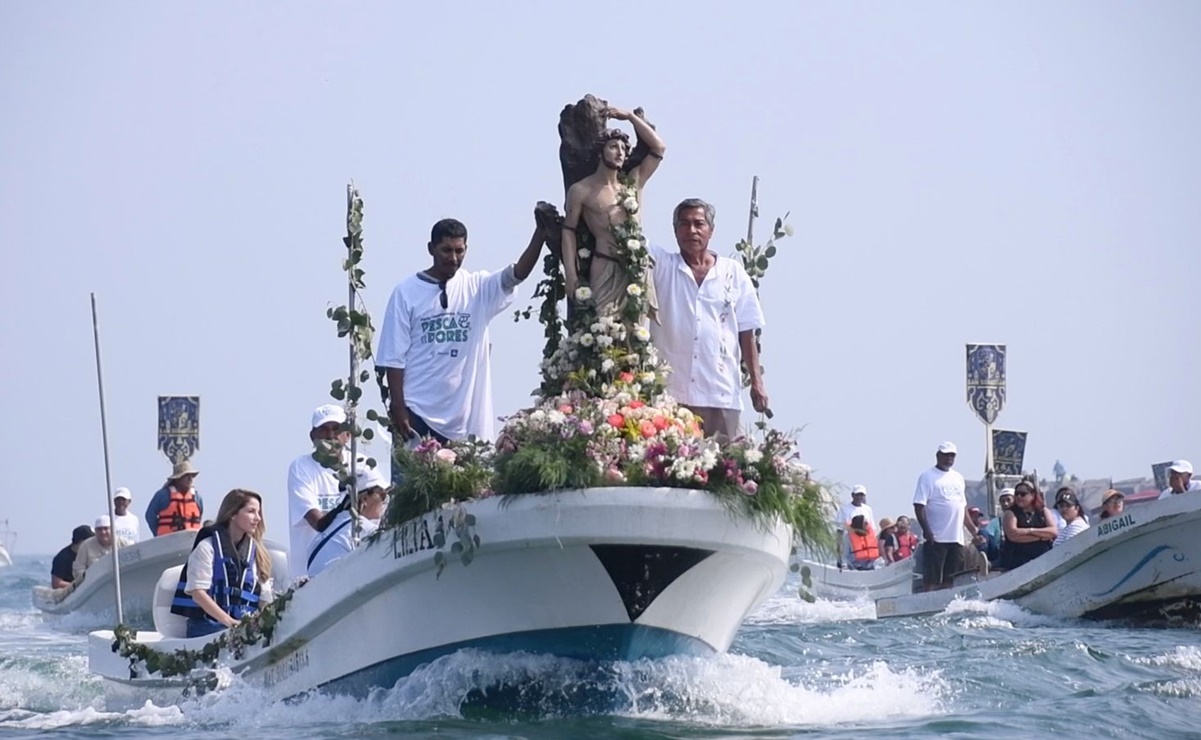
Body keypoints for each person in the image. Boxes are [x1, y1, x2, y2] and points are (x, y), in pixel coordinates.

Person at [376, 213, 548, 445]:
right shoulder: (406, 292)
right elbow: (393, 358)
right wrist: (398, 407)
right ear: (431, 249)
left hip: (465, 421)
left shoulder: (477, 287)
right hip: (417, 412)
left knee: (470, 481)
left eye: (460, 251)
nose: (454, 258)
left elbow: (517, 274)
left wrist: (540, 234)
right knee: (415, 481)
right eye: (446, 250)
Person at [648, 198, 768, 440]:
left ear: (710, 230)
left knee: (727, 469)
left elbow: (747, 332)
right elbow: (629, 236)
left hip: (720, 392)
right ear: (675, 230)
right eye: (684, 224)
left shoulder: (732, 273)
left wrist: (757, 383)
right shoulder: (663, 266)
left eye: (698, 224)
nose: (691, 230)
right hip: (672, 393)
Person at [561, 106, 665, 315]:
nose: (619, 152)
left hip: (635, 269)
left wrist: (629, 117)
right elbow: (568, 230)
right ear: (600, 151)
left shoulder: (633, 182)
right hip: (604, 265)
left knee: (633, 335)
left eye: (623, 149)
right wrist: (571, 274)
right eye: (613, 147)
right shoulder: (581, 190)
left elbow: (659, 148)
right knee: (602, 327)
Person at [171, 489, 273, 638]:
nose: (257, 518)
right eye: (251, 511)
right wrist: (231, 623)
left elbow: (264, 600)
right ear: (232, 514)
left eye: (258, 512)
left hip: (244, 628)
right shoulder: (206, 547)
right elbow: (198, 593)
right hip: (207, 629)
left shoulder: (257, 553)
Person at [288, 404, 354, 566]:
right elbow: (318, 523)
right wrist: (345, 507)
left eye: (336, 429)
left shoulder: (361, 465)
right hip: (311, 575)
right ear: (312, 436)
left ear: (347, 435)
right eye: (323, 429)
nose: (330, 435)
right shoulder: (300, 467)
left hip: (355, 566)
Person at [913, 442, 979, 591]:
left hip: (956, 538)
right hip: (936, 538)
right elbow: (919, 506)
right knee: (932, 578)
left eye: (952, 455)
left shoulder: (958, 477)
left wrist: (973, 530)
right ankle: (928, 604)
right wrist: (927, 531)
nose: (949, 458)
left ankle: (946, 606)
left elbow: (962, 507)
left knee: (952, 578)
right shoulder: (927, 476)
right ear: (938, 456)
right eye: (945, 455)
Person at [306, 467, 390, 578]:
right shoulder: (364, 528)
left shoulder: (334, 523)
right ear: (365, 499)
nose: (386, 500)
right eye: (383, 495)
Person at [1000, 481, 1057, 570]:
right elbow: (1013, 536)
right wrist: (1041, 537)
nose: (1019, 497)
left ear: (1032, 495)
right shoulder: (1010, 513)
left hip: (1043, 556)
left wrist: (1029, 531)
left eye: (1023, 494)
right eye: (1017, 494)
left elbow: (1053, 531)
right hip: (1018, 559)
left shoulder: (1043, 511)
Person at [146, 460, 204, 536]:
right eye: (186, 476)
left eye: (191, 476)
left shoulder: (197, 497)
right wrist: (157, 533)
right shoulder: (163, 495)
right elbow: (150, 515)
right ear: (178, 479)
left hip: (191, 540)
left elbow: (200, 515)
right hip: (167, 540)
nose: (190, 479)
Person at [72, 515, 133, 585]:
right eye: (99, 529)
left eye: (106, 529)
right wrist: (88, 579)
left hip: (123, 583)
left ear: (113, 529)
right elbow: (78, 568)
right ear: (95, 531)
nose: (103, 532)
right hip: (94, 587)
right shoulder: (86, 546)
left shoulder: (125, 544)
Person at [833, 485, 875, 568]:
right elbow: (840, 530)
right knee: (851, 562)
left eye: (862, 495)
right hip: (849, 539)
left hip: (865, 539)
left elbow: (872, 527)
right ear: (852, 495)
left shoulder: (867, 509)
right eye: (857, 495)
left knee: (867, 562)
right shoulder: (844, 509)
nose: (859, 497)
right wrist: (839, 548)